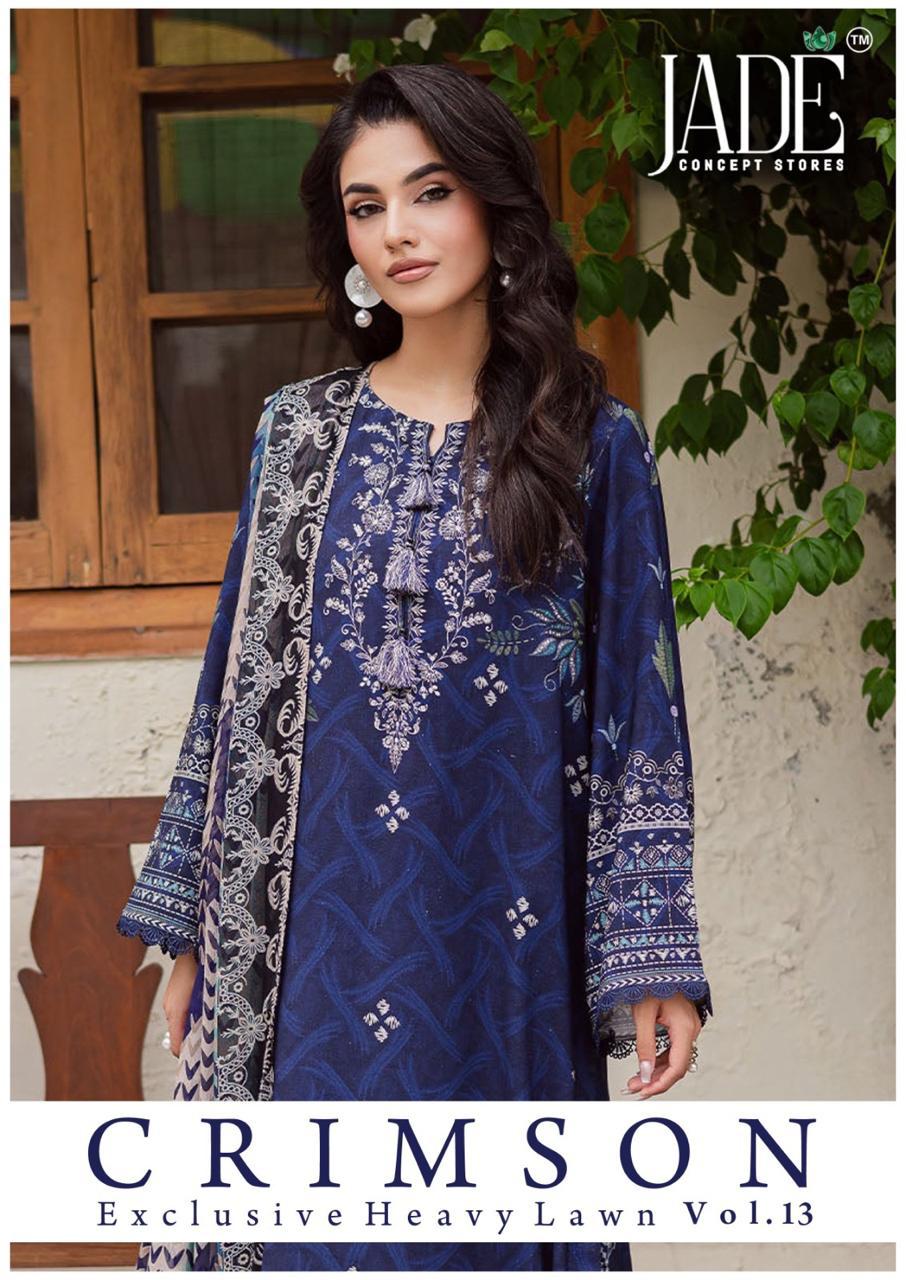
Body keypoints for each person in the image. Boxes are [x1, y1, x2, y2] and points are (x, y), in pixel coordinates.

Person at [117, 62, 713, 1273]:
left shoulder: (592, 446)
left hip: (507, 945)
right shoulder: (297, 434)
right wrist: (193, 933)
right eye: (366, 205)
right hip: (309, 961)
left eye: (429, 192)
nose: (397, 230)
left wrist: (655, 951)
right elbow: (231, 697)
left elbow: (638, 713)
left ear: (494, 204)